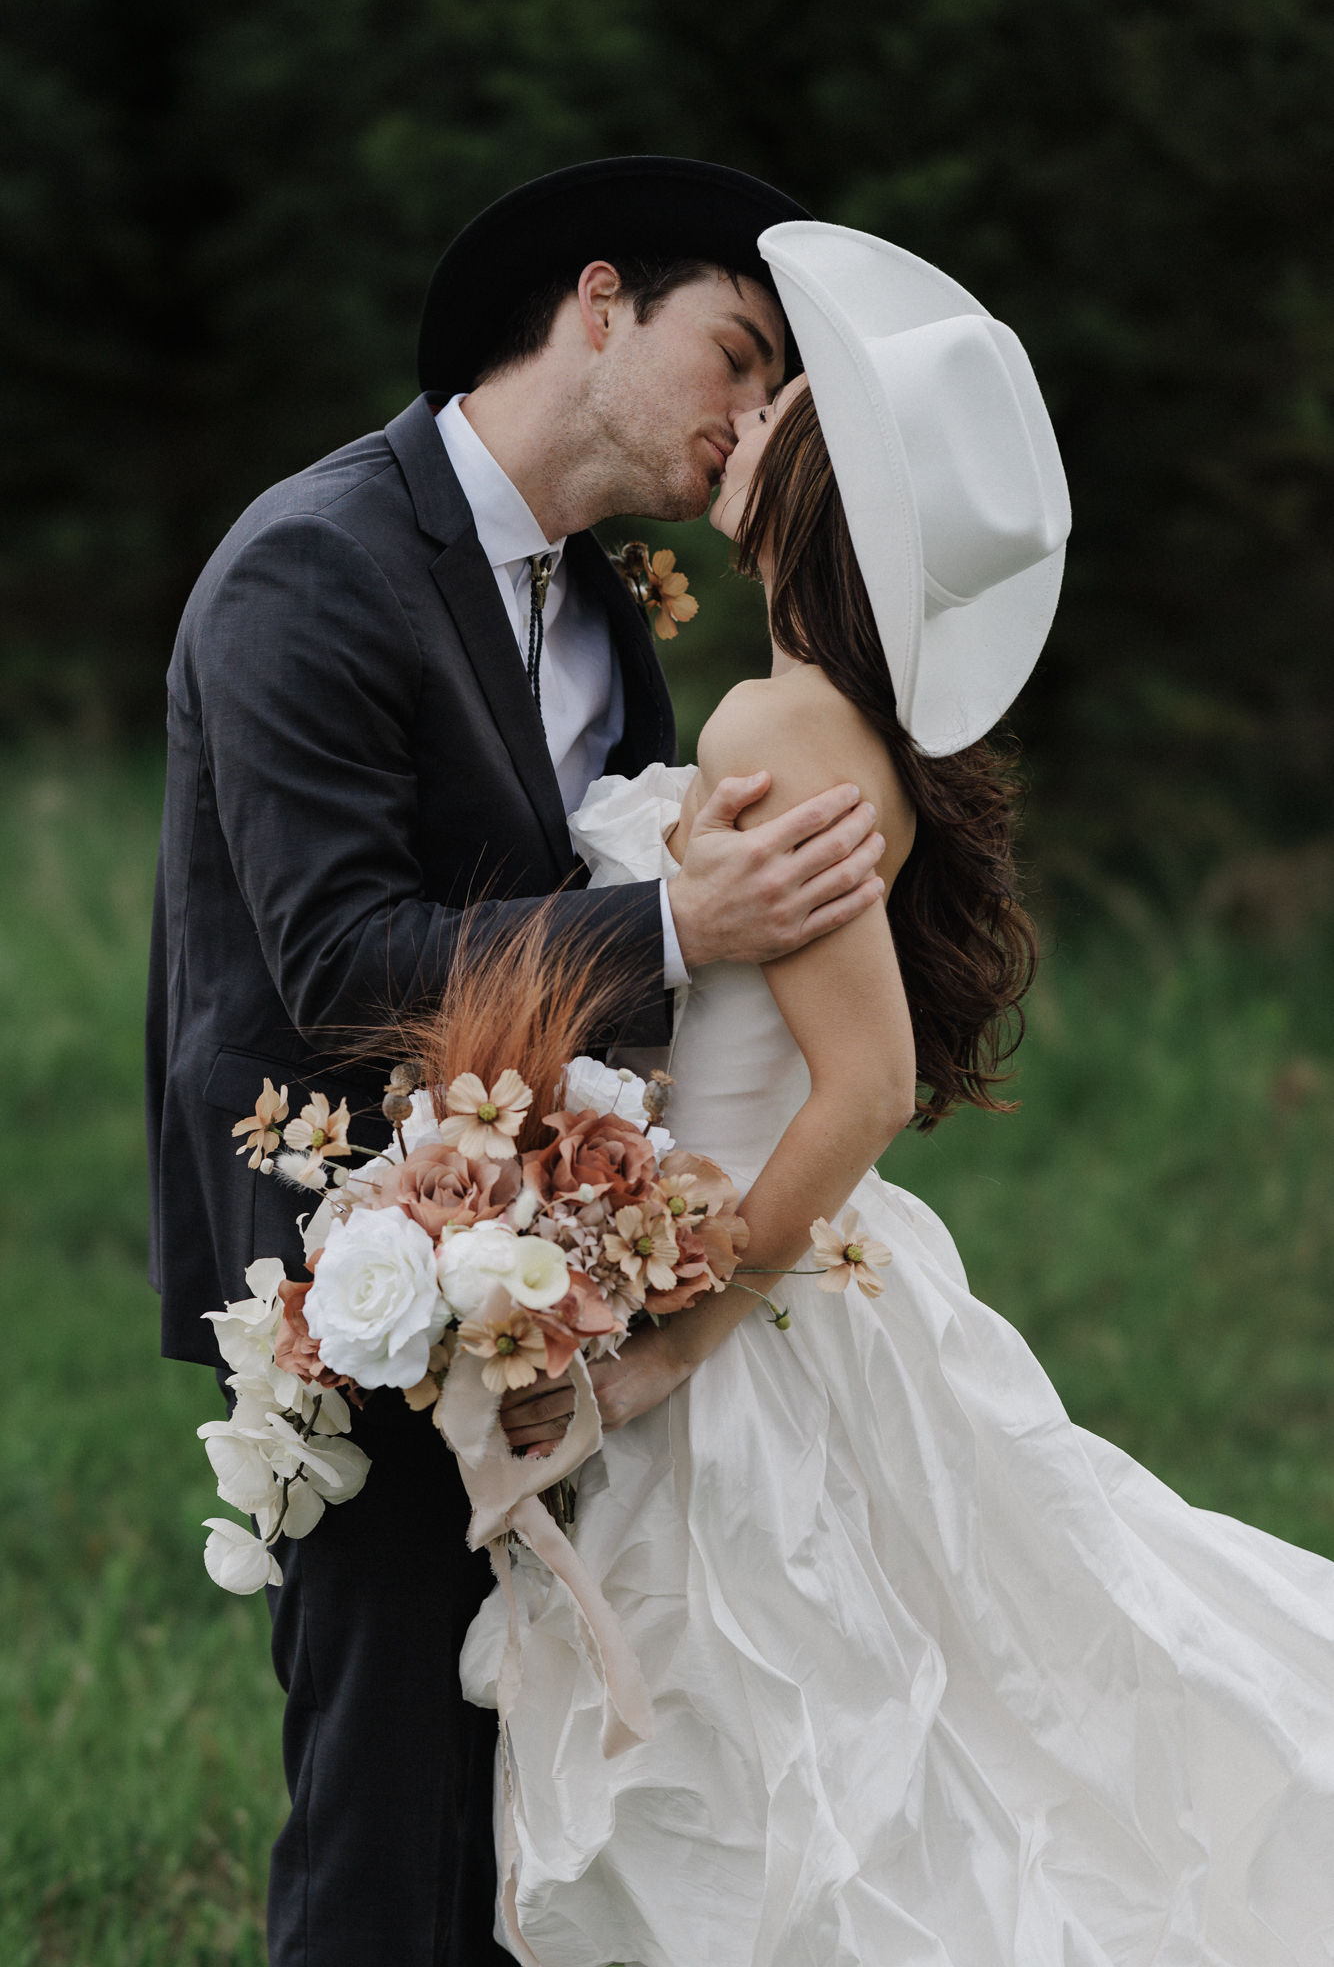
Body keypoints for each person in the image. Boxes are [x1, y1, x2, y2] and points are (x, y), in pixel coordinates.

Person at [459, 222, 1334, 1965]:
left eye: (788, 406)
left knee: (793, 1778)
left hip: (744, 1304)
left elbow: (862, 1088)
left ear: (833, 488)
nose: (753, 415)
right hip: (762, 1263)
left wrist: (673, 1346)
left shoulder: (776, 728)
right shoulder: (826, 713)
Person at [146, 160, 893, 1967]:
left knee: (536, 1803)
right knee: (386, 1795)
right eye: (736, 356)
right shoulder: (310, 567)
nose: (753, 419)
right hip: (355, 1274)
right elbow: (334, 968)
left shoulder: (605, 611)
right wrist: (671, 933)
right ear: (598, 300)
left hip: (558, 1267)